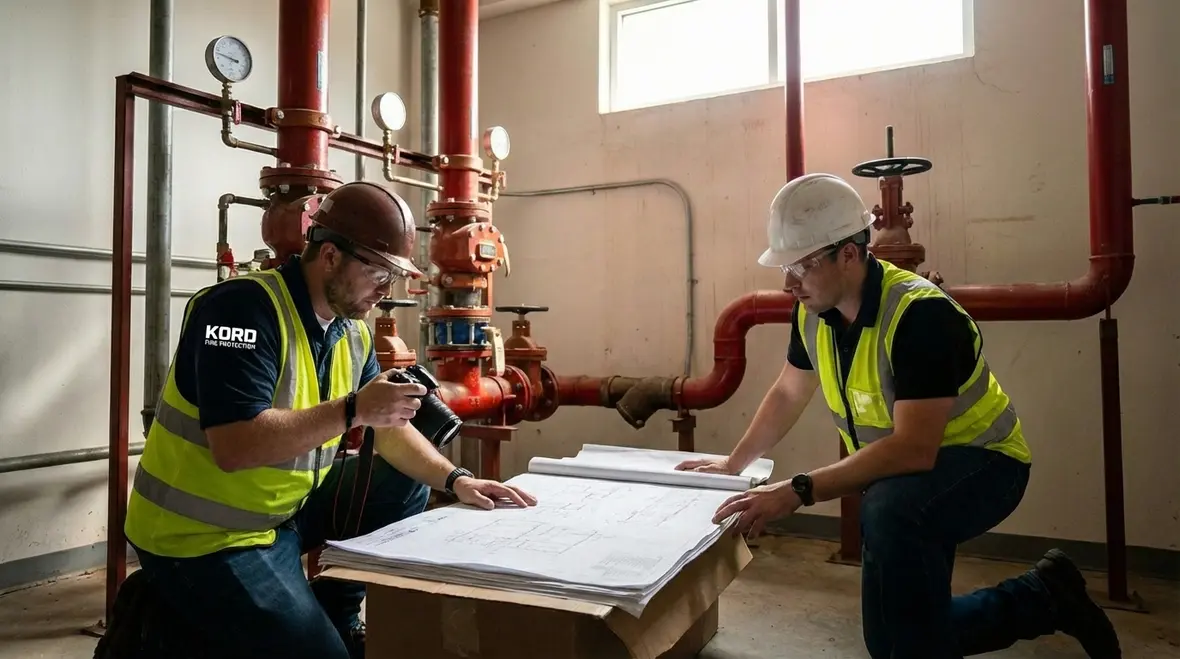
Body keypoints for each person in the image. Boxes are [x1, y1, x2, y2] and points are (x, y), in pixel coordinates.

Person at [676, 173, 1122, 659]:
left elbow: (913, 447)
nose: (788, 283)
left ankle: (1041, 597)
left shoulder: (920, 316)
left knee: (890, 518)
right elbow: (789, 389)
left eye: (801, 265)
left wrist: (798, 490)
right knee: (894, 638)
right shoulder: (812, 311)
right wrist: (733, 464)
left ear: (848, 253)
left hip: (986, 465)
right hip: (905, 481)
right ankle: (1046, 596)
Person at [119, 181, 537, 659]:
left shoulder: (351, 333)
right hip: (201, 537)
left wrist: (458, 479)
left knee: (403, 482)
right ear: (332, 257)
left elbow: (390, 430)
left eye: (392, 278)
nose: (384, 292)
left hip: (280, 516)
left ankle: (336, 615)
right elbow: (235, 447)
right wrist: (354, 408)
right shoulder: (239, 308)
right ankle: (165, 617)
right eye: (378, 273)